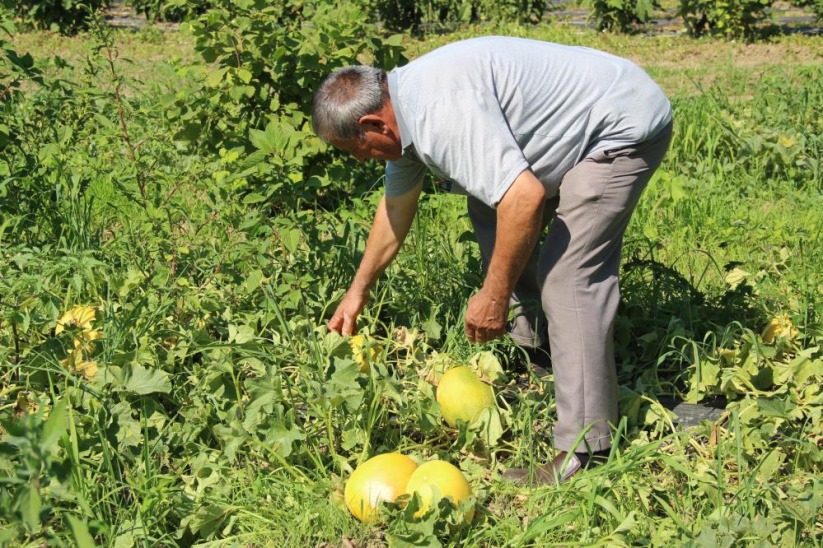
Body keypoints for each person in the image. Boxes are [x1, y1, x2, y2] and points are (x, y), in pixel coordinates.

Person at [311, 36, 673, 485]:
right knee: (488, 206)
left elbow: (524, 198)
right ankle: (541, 351)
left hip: (621, 127)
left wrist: (494, 297)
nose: (362, 160)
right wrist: (357, 291)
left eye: (357, 150)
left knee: (569, 277)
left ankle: (585, 449)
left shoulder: (440, 116)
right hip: (587, 112)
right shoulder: (401, 110)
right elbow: (395, 210)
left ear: (374, 125)